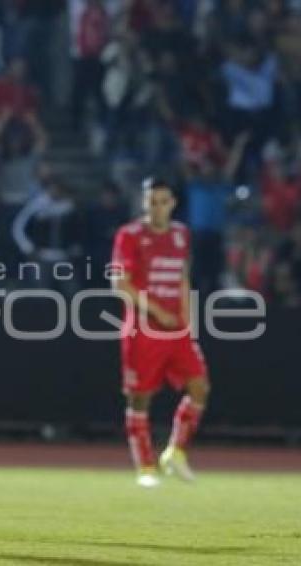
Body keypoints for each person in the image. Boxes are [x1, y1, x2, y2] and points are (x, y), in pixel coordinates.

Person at [110, 178, 211, 487]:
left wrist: (188, 319)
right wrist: (157, 310)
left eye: (163, 201)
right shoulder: (129, 235)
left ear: (173, 203)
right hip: (143, 330)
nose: (157, 207)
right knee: (140, 398)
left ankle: (175, 452)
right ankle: (145, 467)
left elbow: (183, 278)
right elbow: (120, 284)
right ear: (143, 203)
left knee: (200, 388)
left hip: (177, 331)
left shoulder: (181, 235)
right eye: (152, 201)